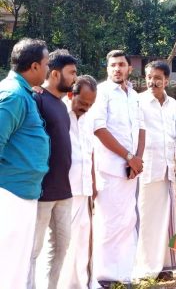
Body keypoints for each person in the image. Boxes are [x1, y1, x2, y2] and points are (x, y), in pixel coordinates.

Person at [92, 50, 145, 286]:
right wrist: (128, 156)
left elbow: (141, 129)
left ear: (129, 68)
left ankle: (124, 274)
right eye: (113, 65)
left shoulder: (134, 95)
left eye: (121, 65)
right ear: (107, 68)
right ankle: (103, 276)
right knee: (108, 223)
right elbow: (99, 129)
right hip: (110, 169)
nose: (117, 69)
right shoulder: (101, 93)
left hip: (131, 170)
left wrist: (138, 159)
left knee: (127, 221)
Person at [0, 38, 50, 289]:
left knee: (16, 265)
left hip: (22, 192)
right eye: (46, 64)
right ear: (33, 67)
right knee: (8, 267)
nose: (48, 69)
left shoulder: (23, 93)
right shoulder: (13, 95)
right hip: (10, 193)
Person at [28, 49, 78, 289]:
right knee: (32, 250)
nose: (75, 78)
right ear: (55, 74)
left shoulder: (61, 105)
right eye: (72, 73)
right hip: (41, 191)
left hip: (64, 191)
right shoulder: (35, 99)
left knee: (61, 247)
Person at [133, 61, 176, 281]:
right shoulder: (138, 101)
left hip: (167, 169)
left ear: (166, 80)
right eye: (149, 77)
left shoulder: (174, 105)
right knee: (145, 220)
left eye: (157, 77)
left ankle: (162, 265)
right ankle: (143, 269)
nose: (152, 81)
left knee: (164, 220)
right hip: (147, 169)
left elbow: (174, 138)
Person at [57, 75, 98, 289]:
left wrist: (93, 181)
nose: (86, 108)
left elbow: (89, 151)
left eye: (90, 104)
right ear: (71, 93)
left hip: (84, 188)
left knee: (83, 240)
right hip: (63, 189)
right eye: (82, 103)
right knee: (63, 241)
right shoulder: (60, 112)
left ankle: (81, 283)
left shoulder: (89, 117)